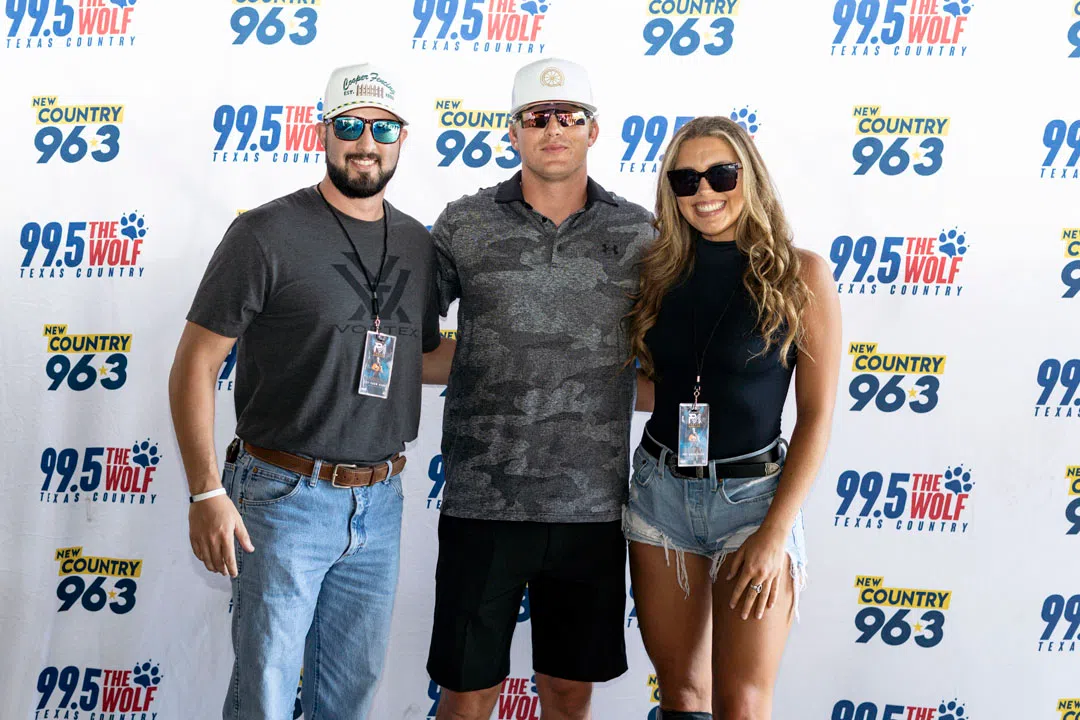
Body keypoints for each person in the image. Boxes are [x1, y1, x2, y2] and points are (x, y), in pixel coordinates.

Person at [168, 62, 441, 720]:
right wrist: (205, 492)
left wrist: (543, 362)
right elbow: (196, 363)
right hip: (282, 498)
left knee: (349, 695)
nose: (366, 143)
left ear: (403, 138)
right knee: (264, 694)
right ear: (322, 132)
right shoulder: (265, 233)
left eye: (382, 128)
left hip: (381, 501)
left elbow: (421, 358)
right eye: (349, 125)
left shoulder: (416, 242)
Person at [423, 58, 655, 720]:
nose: (554, 129)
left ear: (593, 131)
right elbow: (411, 340)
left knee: (567, 694)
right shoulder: (464, 222)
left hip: (592, 509)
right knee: (466, 695)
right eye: (537, 117)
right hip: (482, 502)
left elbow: (661, 359)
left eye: (569, 117)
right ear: (514, 132)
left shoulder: (638, 232)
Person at [622, 116, 842, 720]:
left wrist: (775, 533)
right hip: (659, 497)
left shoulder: (801, 275)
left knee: (742, 704)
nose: (704, 191)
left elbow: (817, 415)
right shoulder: (656, 273)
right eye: (685, 179)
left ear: (751, 177)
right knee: (681, 697)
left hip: (754, 505)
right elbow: (657, 383)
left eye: (721, 174)